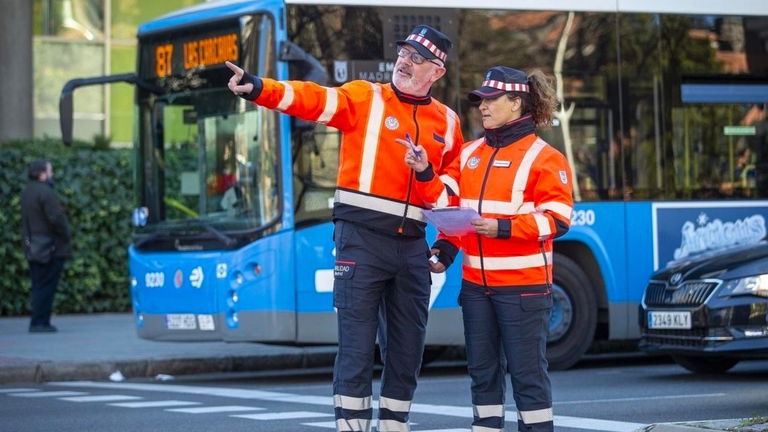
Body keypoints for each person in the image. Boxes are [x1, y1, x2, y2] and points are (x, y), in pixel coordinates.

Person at [226, 25, 463, 432]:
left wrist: (446, 246)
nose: (405, 61)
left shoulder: (449, 122)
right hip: (361, 238)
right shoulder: (365, 97)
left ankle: (394, 425)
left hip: (412, 247)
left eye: (417, 58)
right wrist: (257, 87)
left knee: (408, 348)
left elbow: (453, 194)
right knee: (355, 344)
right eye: (403, 53)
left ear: (437, 72)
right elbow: (312, 98)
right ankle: (351, 426)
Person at [404, 66, 574, 432]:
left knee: (527, 376)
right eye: (480, 100)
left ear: (516, 103)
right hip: (476, 288)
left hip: (523, 289)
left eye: (490, 100)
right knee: (482, 374)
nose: (482, 106)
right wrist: (443, 251)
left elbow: (558, 220)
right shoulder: (468, 154)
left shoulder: (546, 157)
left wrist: (502, 228)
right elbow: (449, 208)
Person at [20, 159, 73, 333]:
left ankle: (37, 320)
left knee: (38, 284)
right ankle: (40, 322)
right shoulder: (46, 192)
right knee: (46, 286)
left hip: (33, 246)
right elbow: (56, 218)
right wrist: (66, 235)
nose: (52, 174)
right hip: (50, 248)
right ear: (42, 173)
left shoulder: (28, 191)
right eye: (50, 171)